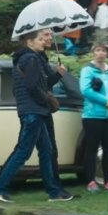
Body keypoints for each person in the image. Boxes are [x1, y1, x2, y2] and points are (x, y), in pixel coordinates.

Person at [0, 30, 74, 203]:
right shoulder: (31, 59)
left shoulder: (29, 59)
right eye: (40, 39)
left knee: (46, 150)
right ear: (29, 42)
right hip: (33, 112)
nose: (44, 41)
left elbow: (41, 83)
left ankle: (54, 192)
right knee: (23, 151)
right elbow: (33, 86)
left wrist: (58, 74)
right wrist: (44, 99)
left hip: (34, 111)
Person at [79, 41, 108, 193]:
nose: (101, 53)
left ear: (107, 53)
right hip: (93, 115)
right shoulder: (87, 71)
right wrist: (106, 102)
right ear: (93, 52)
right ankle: (91, 180)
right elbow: (86, 90)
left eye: (104, 51)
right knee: (91, 148)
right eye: (98, 50)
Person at [37, 28, 71, 193]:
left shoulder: (42, 57)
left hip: (43, 109)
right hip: (38, 109)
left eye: (51, 34)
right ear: (37, 37)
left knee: (50, 149)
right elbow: (43, 84)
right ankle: (53, 188)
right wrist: (58, 74)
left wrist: (58, 74)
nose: (50, 37)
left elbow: (47, 82)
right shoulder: (35, 58)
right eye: (46, 35)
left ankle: (56, 186)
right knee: (46, 150)